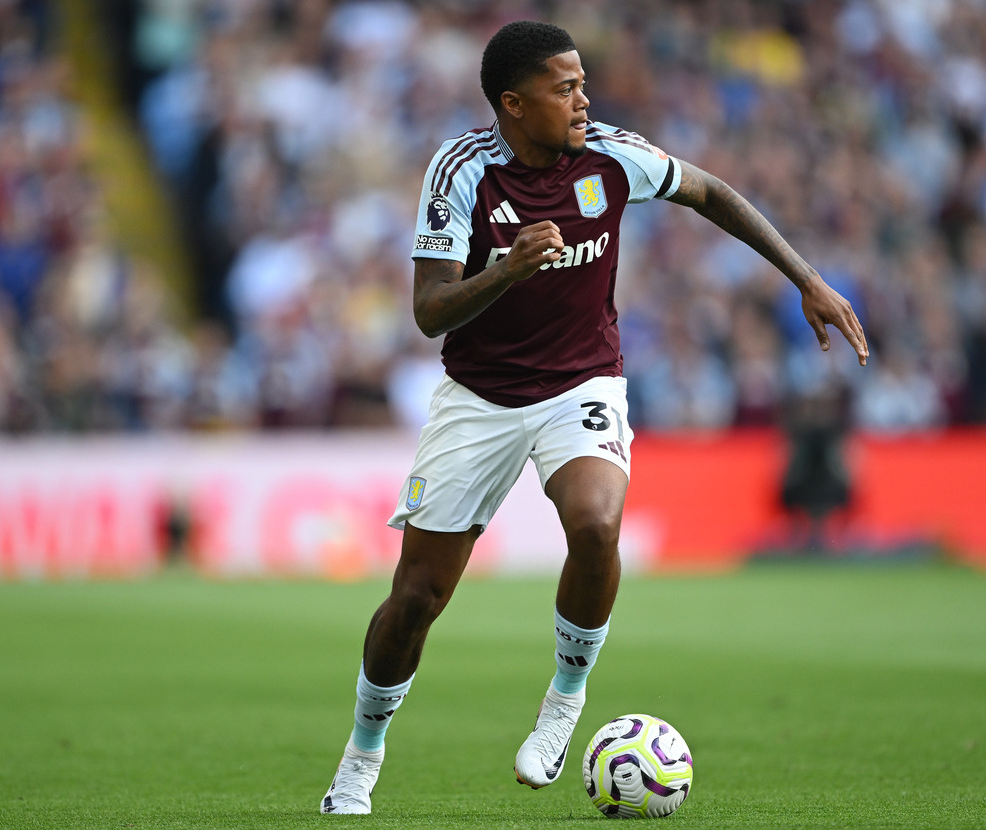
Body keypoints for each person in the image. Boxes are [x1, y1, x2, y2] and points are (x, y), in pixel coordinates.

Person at [320, 20, 868, 815]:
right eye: (564, 88)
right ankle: (361, 756)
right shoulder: (462, 170)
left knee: (596, 525)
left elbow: (712, 192)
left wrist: (806, 280)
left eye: (583, 83)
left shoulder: (612, 156)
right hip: (478, 399)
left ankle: (565, 702)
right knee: (415, 600)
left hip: (583, 384)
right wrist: (507, 270)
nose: (584, 100)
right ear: (513, 103)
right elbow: (429, 311)